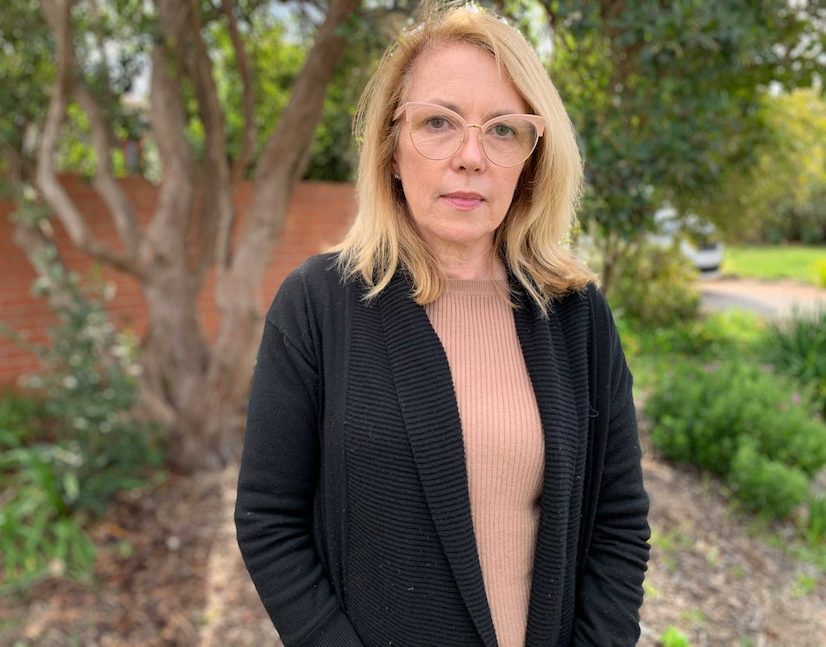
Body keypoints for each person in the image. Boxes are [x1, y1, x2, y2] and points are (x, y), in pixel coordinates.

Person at [235, 3, 650, 646]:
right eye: (438, 122)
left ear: (532, 161)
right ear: (391, 149)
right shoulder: (317, 304)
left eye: (503, 130)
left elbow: (619, 524)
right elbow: (270, 521)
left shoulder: (576, 313)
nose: (470, 156)